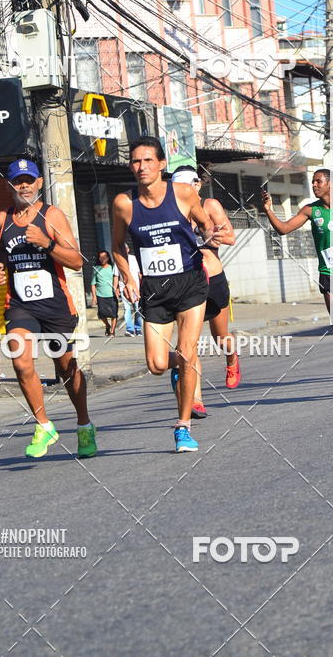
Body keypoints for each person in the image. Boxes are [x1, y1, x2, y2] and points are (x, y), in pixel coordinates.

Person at [112, 136, 220, 453]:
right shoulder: (124, 204)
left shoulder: (183, 193)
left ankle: (183, 427)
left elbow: (205, 226)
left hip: (189, 283)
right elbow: (117, 246)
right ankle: (184, 365)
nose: (141, 166)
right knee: (157, 364)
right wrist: (127, 276)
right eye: (135, 161)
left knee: (186, 353)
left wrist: (213, 233)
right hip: (154, 290)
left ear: (161, 164)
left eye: (148, 160)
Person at [0, 158, 97, 458]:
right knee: (21, 361)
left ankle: (84, 424)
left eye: (29, 179)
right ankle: (44, 424)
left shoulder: (52, 217)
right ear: (10, 185)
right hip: (21, 306)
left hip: (55, 306)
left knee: (65, 368)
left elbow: (76, 261)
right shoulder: (2, 219)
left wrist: (46, 244)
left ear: (39, 183)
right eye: (17, 180)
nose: (24, 185)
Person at [262, 168, 333, 378]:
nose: (314, 185)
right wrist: (268, 210)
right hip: (327, 268)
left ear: (330, 184)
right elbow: (283, 229)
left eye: (318, 181)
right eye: (313, 182)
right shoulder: (310, 210)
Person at [170, 167, 240, 422]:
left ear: (197, 185)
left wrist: (210, 235)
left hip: (213, 278)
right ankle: (196, 399)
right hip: (186, 282)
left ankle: (231, 357)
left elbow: (230, 236)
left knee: (221, 337)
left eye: (186, 185)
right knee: (190, 344)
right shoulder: (172, 211)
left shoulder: (210, 205)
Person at [90, 250, 119, 337]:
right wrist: (94, 297)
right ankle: (107, 325)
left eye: (104, 257)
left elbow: (116, 278)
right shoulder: (96, 268)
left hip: (112, 294)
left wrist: (116, 289)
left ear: (108, 258)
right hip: (100, 295)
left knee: (114, 314)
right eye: (100, 257)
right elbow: (93, 284)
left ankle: (112, 331)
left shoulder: (112, 267)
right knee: (102, 314)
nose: (102, 259)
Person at [118, 247, 142, 336]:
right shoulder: (118, 259)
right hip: (123, 288)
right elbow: (116, 275)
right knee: (126, 309)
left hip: (135, 289)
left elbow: (140, 274)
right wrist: (115, 288)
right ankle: (130, 329)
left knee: (137, 309)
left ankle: (138, 328)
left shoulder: (134, 259)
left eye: (125, 249)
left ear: (128, 250)